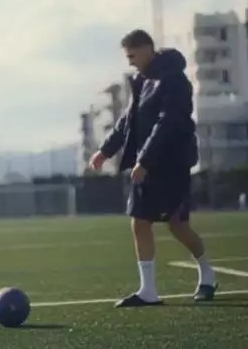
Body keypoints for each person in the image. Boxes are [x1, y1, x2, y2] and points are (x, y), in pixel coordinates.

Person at [89, 29, 217, 307]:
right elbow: (128, 120)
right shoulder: (140, 80)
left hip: (173, 163)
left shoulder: (175, 81)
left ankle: (207, 274)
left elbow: (167, 123)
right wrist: (105, 150)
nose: (131, 62)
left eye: (133, 56)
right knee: (139, 221)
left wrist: (144, 160)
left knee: (177, 224)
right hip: (145, 165)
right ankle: (148, 291)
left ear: (147, 49)